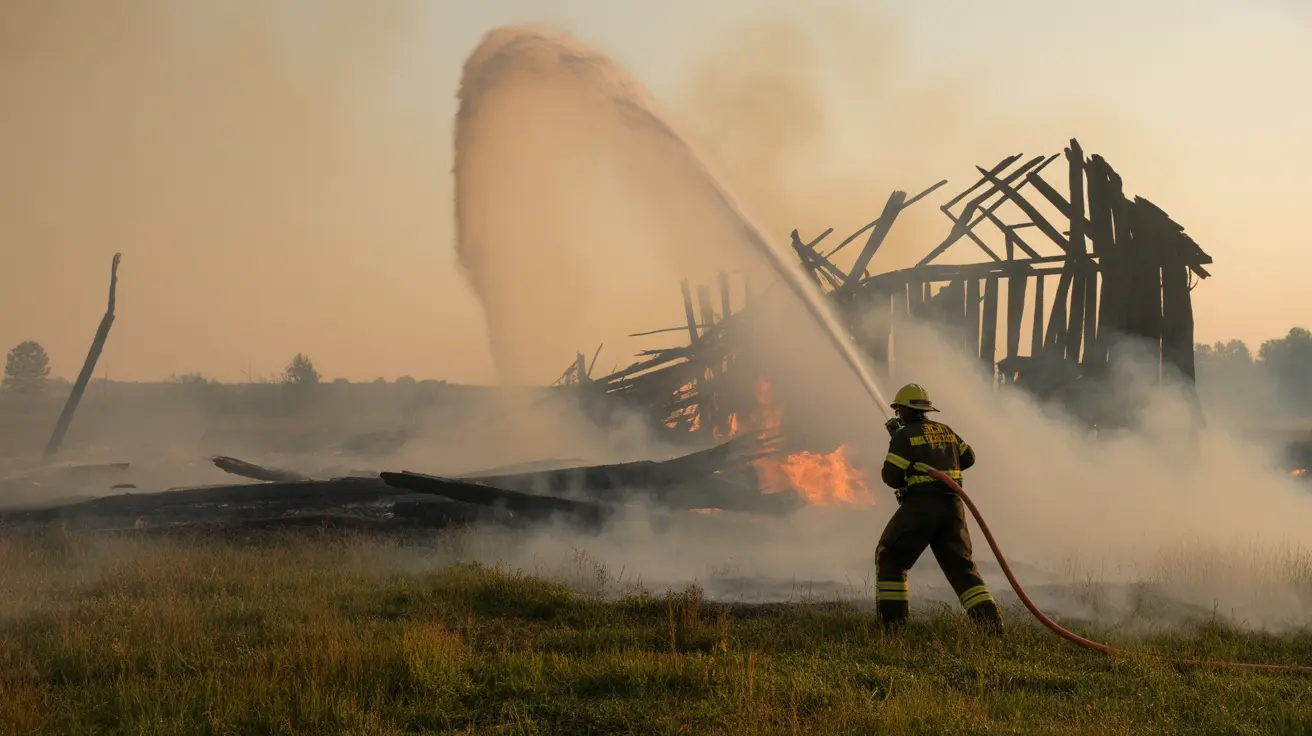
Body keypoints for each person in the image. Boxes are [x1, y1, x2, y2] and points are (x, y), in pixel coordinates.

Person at [875, 383, 1003, 634]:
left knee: (890, 556)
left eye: (899, 411)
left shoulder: (903, 436)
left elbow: (891, 477)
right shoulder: (946, 431)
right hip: (953, 509)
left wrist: (903, 444)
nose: (898, 415)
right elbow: (969, 457)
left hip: (921, 508)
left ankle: (893, 626)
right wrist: (937, 461)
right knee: (961, 567)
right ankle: (991, 626)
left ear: (905, 411)